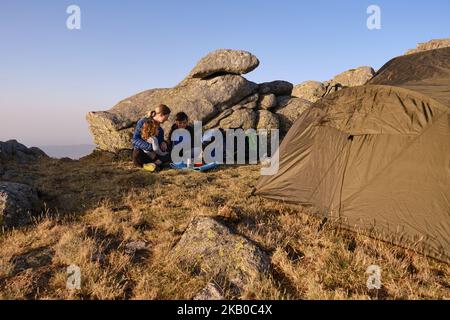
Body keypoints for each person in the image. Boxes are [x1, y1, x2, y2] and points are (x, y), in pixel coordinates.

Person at [132, 104, 171, 169]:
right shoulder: (142, 122)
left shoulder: (160, 130)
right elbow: (135, 139)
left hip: (154, 154)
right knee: (137, 153)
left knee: (170, 152)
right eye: (166, 117)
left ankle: (154, 164)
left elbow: (159, 144)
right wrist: (150, 147)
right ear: (161, 115)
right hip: (142, 152)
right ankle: (156, 164)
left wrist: (164, 143)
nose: (167, 119)